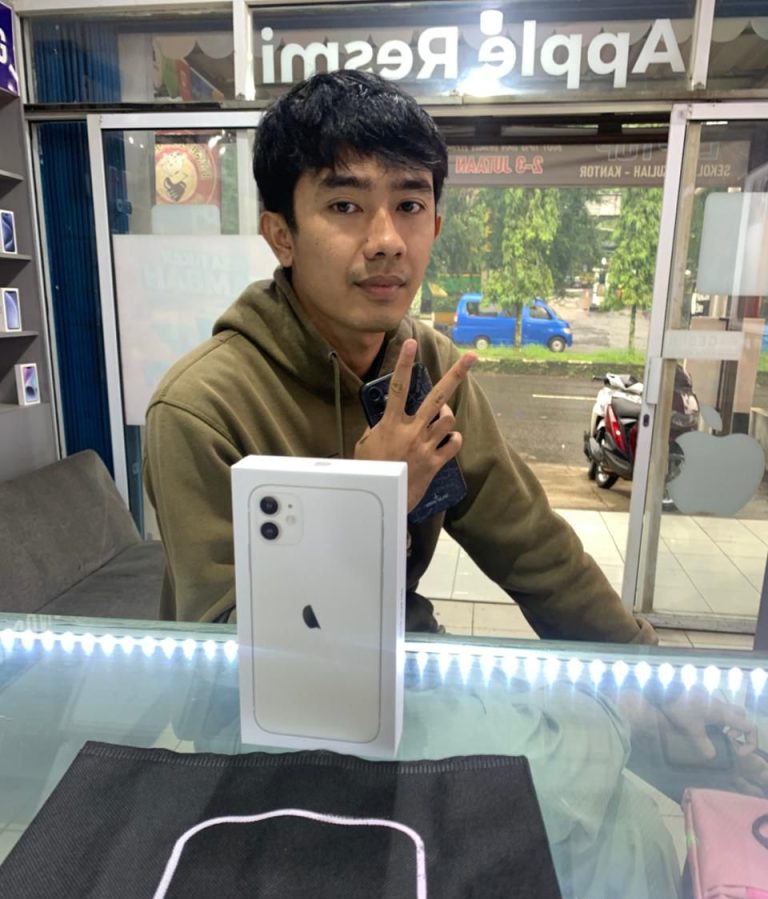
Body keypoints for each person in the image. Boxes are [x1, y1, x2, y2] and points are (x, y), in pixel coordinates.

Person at [144, 68, 655, 643]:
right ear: (281, 235)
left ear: (434, 226)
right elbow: (226, 644)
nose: (387, 240)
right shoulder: (200, 408)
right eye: (345, 205)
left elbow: (532, 546)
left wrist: (644, 665)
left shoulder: (429, 368)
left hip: (404, 656)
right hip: (283, 687)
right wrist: (369, 499)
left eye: (409, 204)